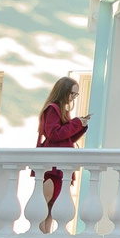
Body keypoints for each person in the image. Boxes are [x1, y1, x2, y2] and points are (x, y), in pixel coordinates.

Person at [35, 76, 87, 226]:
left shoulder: (60, 110)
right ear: (64, 91)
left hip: (59, 163)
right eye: (72, 93)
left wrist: (80, 125)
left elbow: (66, 138)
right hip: (52, 164)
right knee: (46, 201)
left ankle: (46, 233)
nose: (73, 98)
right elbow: (54, 133)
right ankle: (41, 234)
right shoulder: (53, 108)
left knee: (53, 204)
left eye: (75, 95)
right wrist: (76, 123)